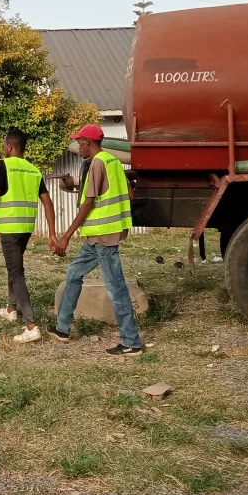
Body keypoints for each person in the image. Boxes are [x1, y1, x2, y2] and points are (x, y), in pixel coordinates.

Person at [49, 124, 143, 355]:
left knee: (116, 288)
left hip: (103, 236)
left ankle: (131, 342)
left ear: (88, 142)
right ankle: (62, 329)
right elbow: (130, 194)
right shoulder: (113, 162)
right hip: (98, 236)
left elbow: (89, 202)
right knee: (73, 274)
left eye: (79, 142)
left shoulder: (98, 163)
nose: (78, 146)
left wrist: (66, 237)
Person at [0, 128, 58, 343]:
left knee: (16, 272)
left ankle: (31, 325)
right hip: (26, 228)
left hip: (10, 229)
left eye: (4, 145)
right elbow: (47, 202)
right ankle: (11, 308)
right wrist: (52, 234)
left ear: (9, 146)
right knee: (15, 268)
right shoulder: (32, 170)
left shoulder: (3, 166)